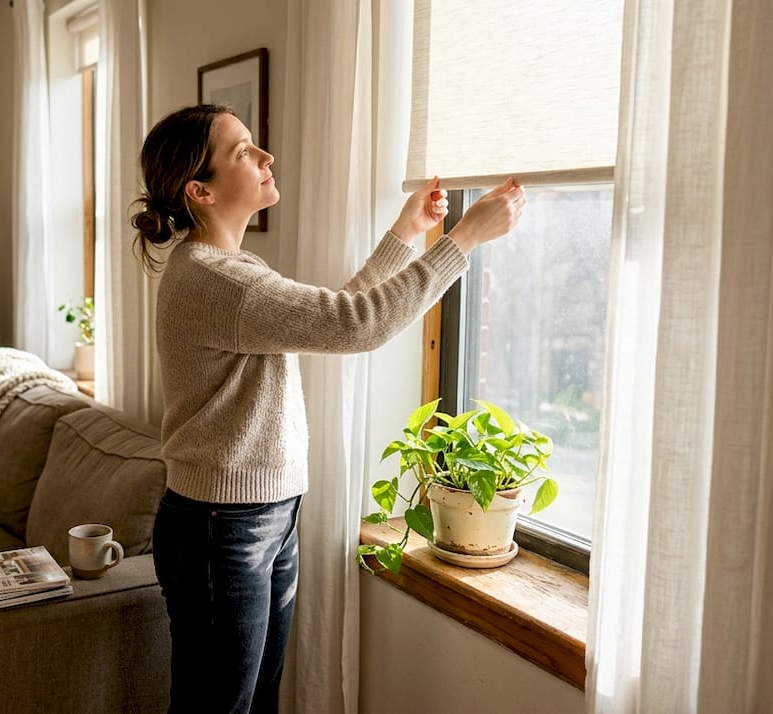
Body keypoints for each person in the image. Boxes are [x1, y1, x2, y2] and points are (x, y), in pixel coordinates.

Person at [129, 104, 525, 714]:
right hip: (222, 528)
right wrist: (462, 239)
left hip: (260, 516)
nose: (265, 158)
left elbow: (338, 310)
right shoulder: (215, 279)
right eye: (243, 151)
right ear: (200, 191)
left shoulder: (232, 270)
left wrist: (403, 235)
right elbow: (355, 324)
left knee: (254, 702)